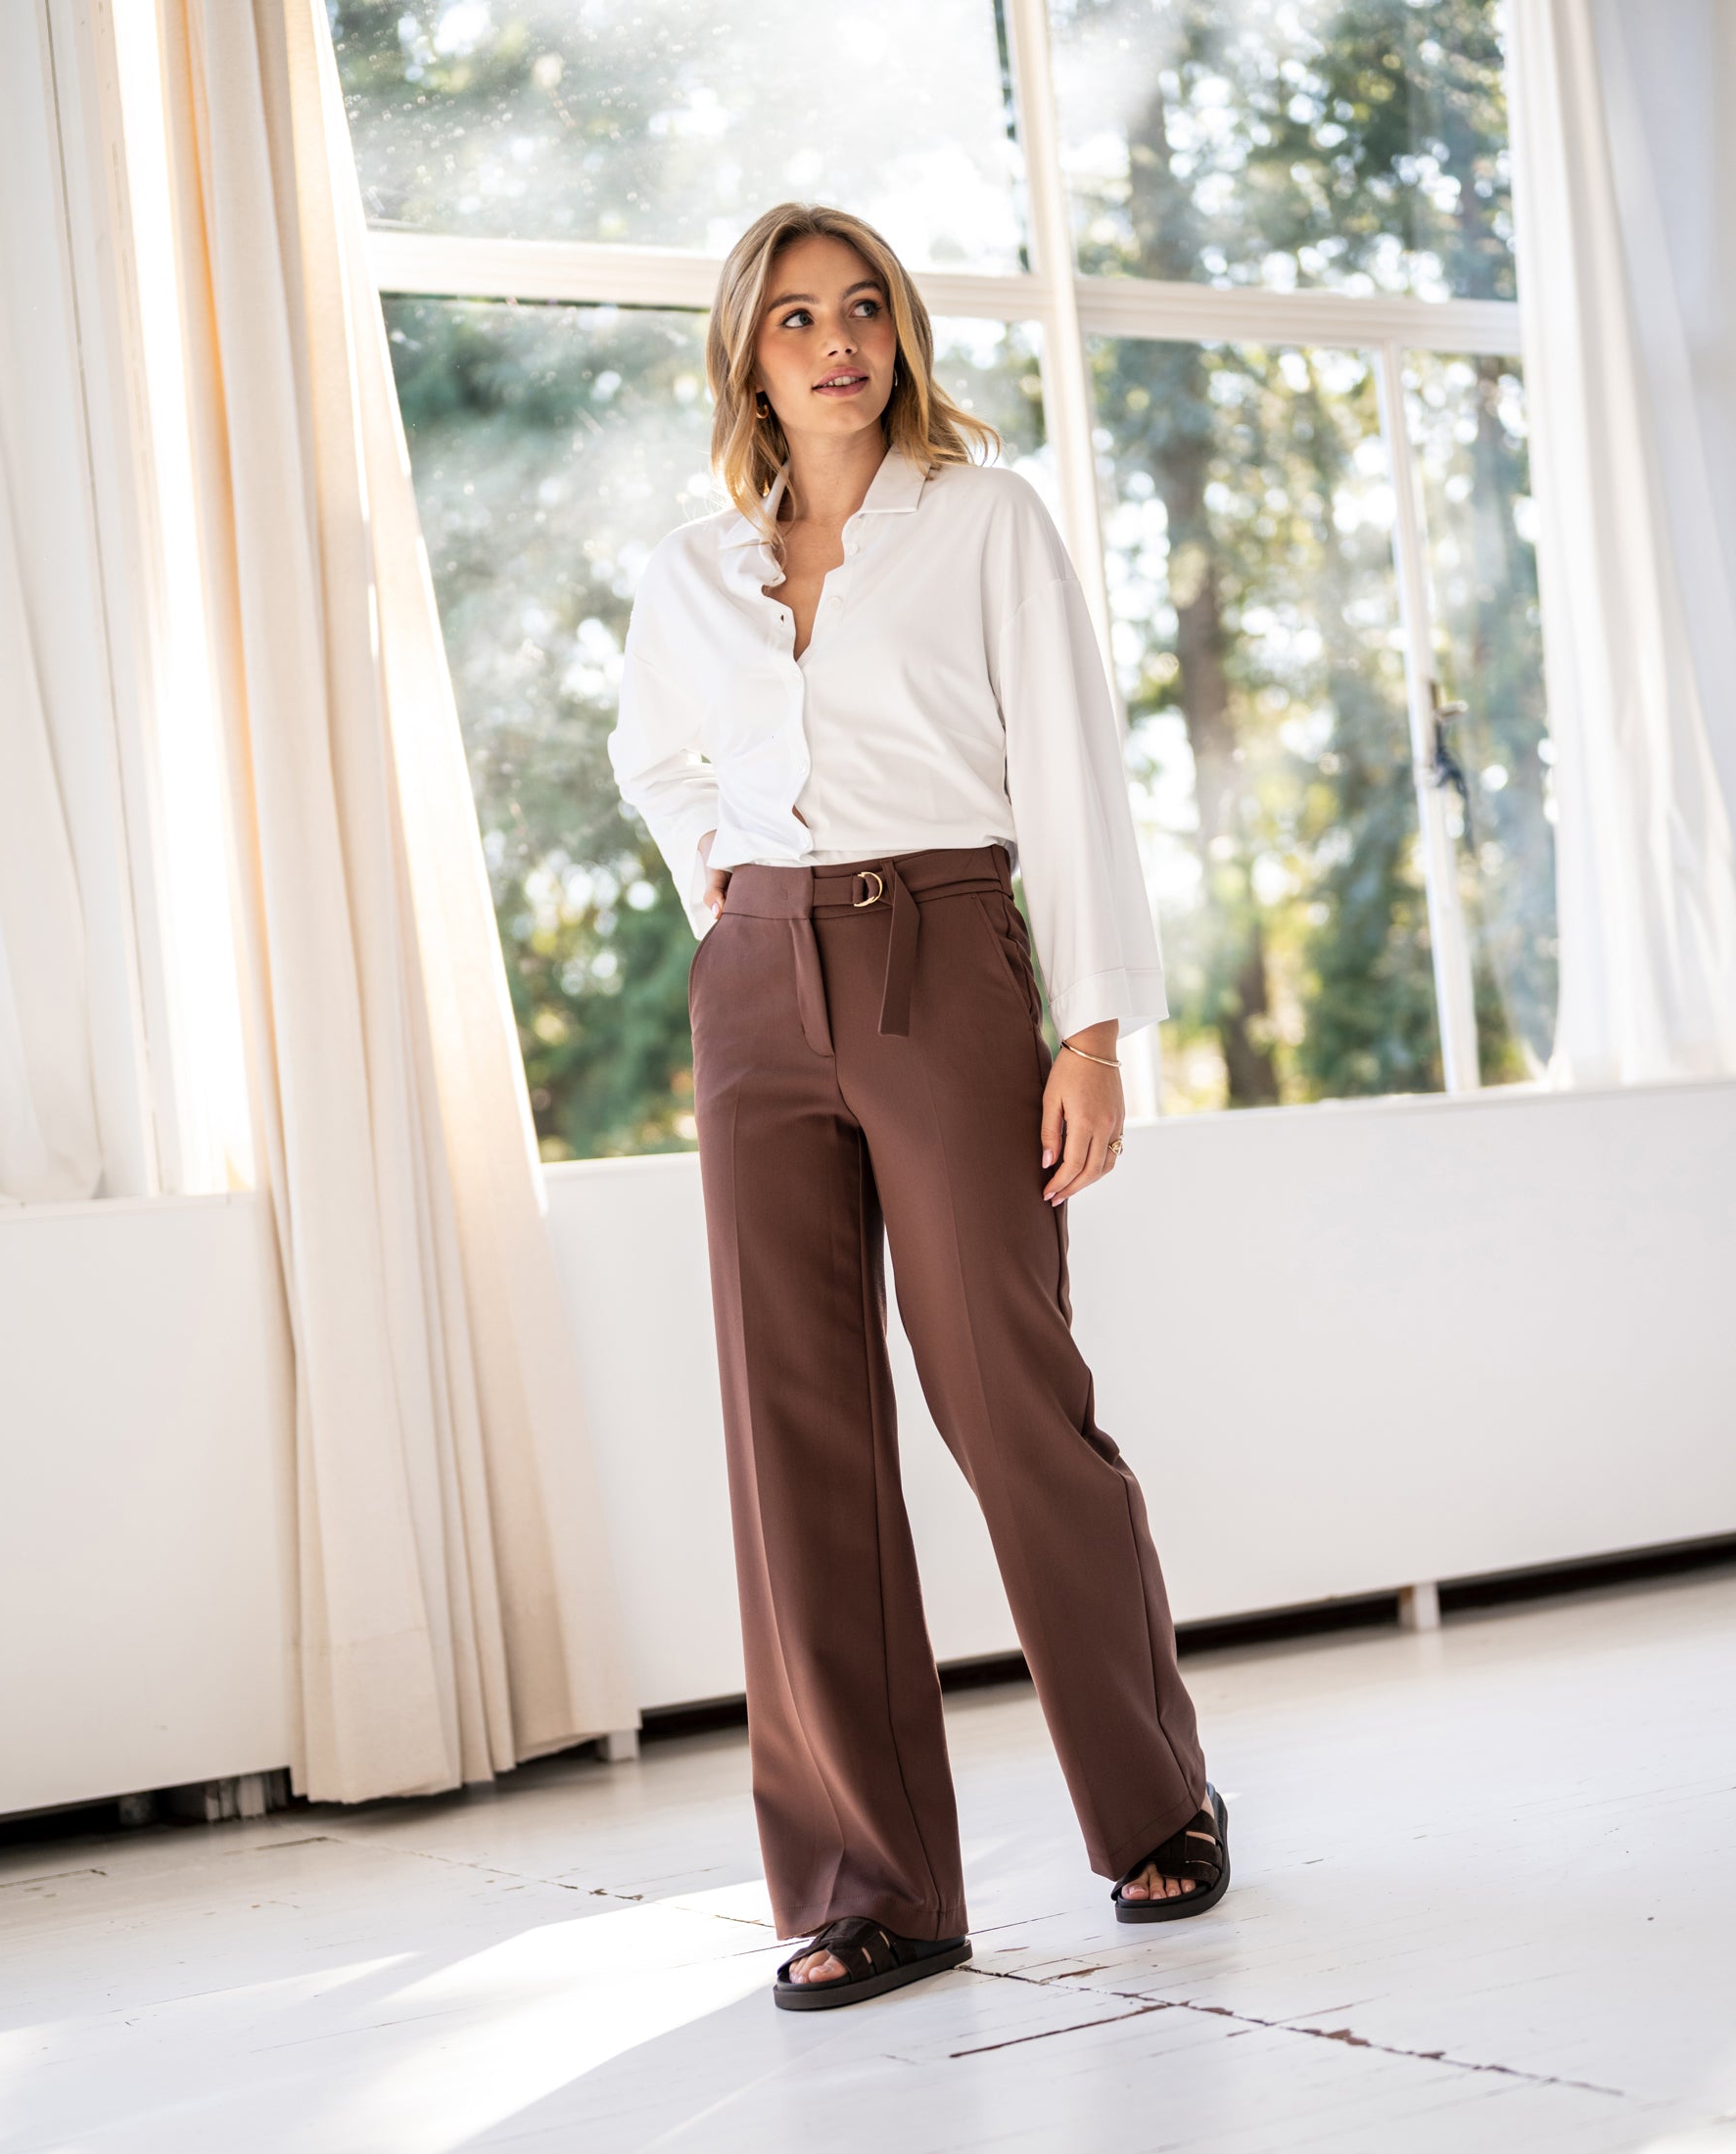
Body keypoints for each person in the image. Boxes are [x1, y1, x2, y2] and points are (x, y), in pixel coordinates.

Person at [606, 202, 1227, 2013]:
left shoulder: (986, 523)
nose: (837, 340)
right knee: (792, 1437)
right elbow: (658, 757)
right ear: (749, 349)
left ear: (900, 334)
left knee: (1008, 1397)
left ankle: (1153, 1798)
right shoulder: (690, 570)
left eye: (863, 307)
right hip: (759, 989)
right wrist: (721, 896)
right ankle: (874, 1888)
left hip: (943, 952)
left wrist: (1092, 1026)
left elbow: (1072, 766)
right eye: (796, 315)